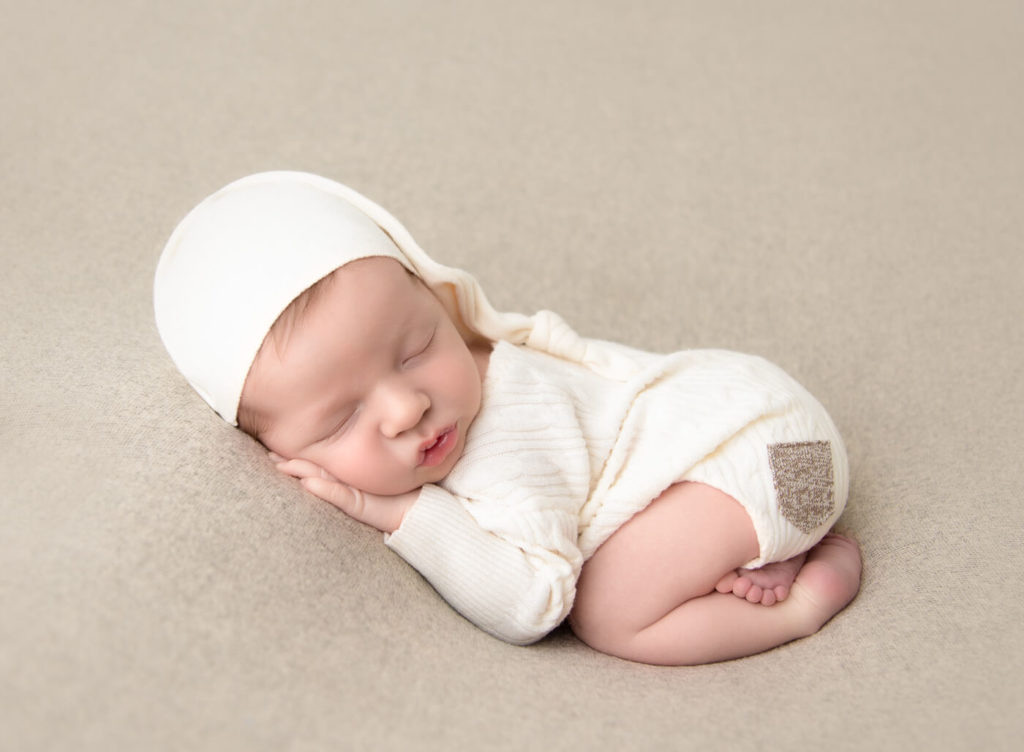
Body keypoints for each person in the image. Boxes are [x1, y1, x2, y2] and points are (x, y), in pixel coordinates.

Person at [154, 171, 861, 665]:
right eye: (341, 419)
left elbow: (534, 602)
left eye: (416, 348)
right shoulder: (478, 364)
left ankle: (802, 598)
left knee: (608, 611)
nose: (407, 408)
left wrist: (396, 513)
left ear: (441, 303)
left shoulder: (506, 445)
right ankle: (755, 541)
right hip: (757, 417)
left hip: (777, 459)